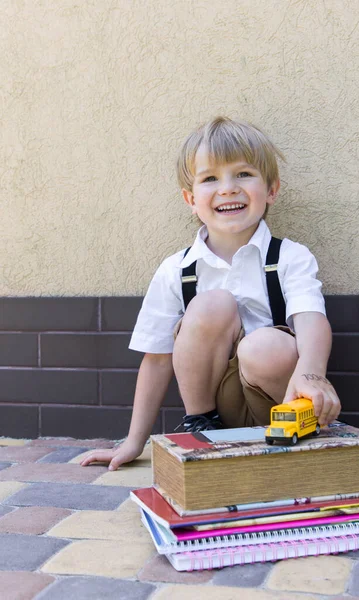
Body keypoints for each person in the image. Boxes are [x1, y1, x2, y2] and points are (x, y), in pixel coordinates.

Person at [81, 116, 341, 471]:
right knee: (211, 304)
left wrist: (312, 373)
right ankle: (202, 426)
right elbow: (157, 358)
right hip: (217, 404)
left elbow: (311, 317)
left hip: (282, 404)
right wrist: (133, 442)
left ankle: (293, 438)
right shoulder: (177, 269)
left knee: (262, 345)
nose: (228, 188)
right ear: (190, 199)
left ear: (272, 190)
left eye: (244, 174)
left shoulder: (290, 256)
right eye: (210, 179)